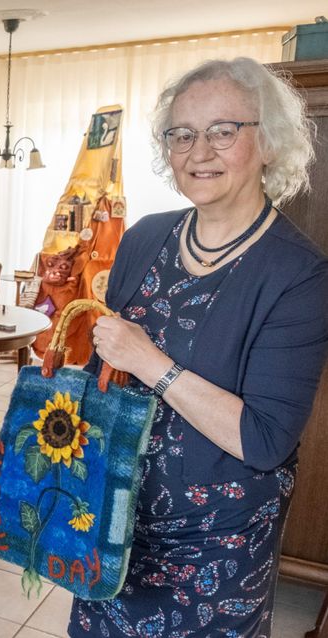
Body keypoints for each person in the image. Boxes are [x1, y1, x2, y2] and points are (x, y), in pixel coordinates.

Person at [70, 58, 328, 637]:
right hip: (114, 519)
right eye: (182, 134)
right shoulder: (144, 238)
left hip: (217, 548)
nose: (198, 151)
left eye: (222, 131)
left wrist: (149, 361)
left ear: (269, 142)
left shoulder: (299, 275)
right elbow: (103, 376)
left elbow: (263, 441)